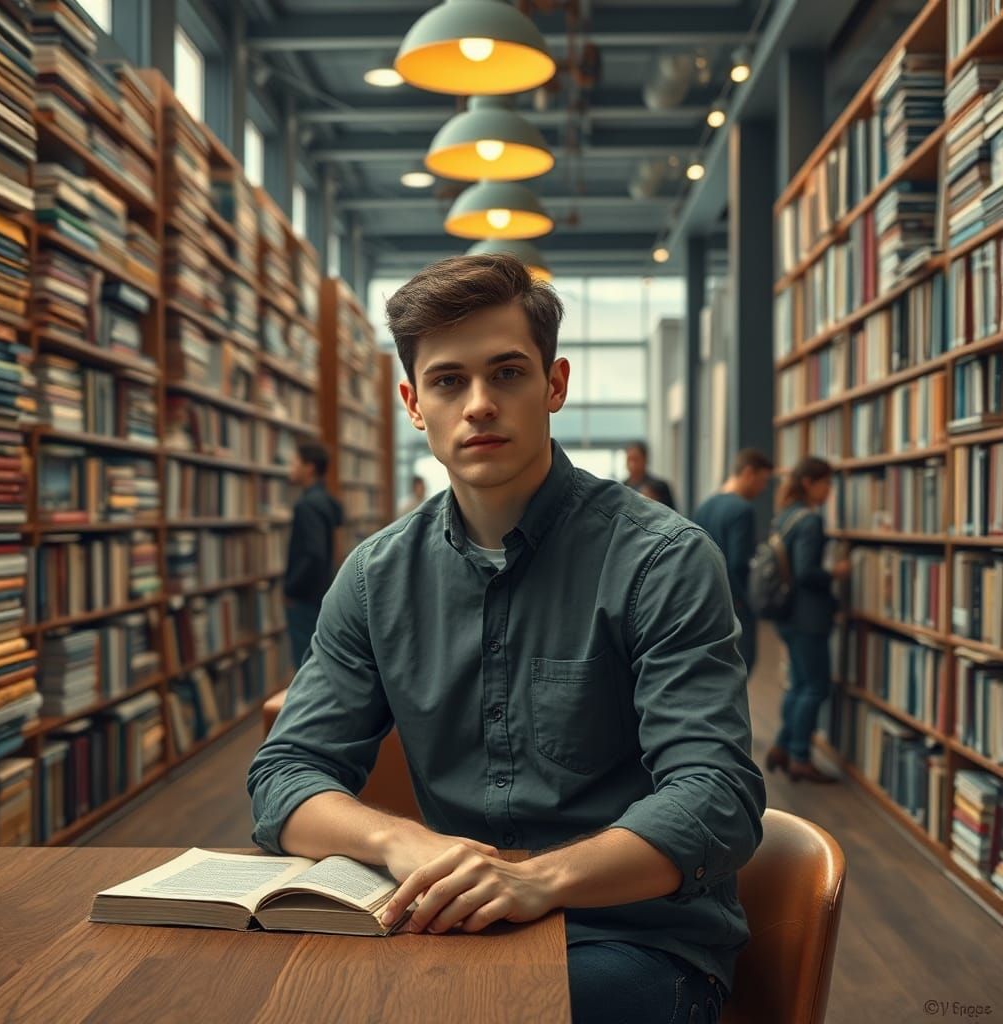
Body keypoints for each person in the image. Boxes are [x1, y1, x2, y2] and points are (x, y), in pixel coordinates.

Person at [249, 254, 764, 1024]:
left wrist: (541, 881)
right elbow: (285, 772)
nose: (480, 404)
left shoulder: (662, 558)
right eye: (449, 381)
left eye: (509, 374)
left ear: (554, 385)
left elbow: (716, 796)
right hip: (444, 925)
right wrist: (399, 843)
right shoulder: (374, 577)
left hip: (628, 940)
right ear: (414, 404)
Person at [765, 456, 850, 784]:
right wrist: (835, 572)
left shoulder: (784, 517)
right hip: (808, 618)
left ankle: (783, 746)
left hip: (786, 614)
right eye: (826, 483)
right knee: (815, 687)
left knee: (799, 684)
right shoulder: (810, 521)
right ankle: (800, 756)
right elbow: (805, 573)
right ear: (810, 483)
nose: (829, 491)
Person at [692, 448, 775, 675]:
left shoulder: (705, 505)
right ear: (748, 473)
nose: (763, 489)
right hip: (734, 601)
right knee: (742, 662)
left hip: (704, 597)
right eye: (762, 481)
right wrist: (745, 601)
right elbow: (739, 562)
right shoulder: (742, 509)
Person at [283, 440, 343, 668]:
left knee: (305, 664)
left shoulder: (307, 505)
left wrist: (291, 588)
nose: (291, 468)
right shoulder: (329, 502)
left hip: (306, 598)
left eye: (295, 462)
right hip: (324, 591)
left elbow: (314, 554)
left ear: (309, 468)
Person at [623, 441, 676, 511]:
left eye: (636, 460)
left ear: (645, 460)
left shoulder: (660, 487)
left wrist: (655, 503)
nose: (632, 465)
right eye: (629, 459)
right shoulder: (622, 487)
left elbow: (674, 516)